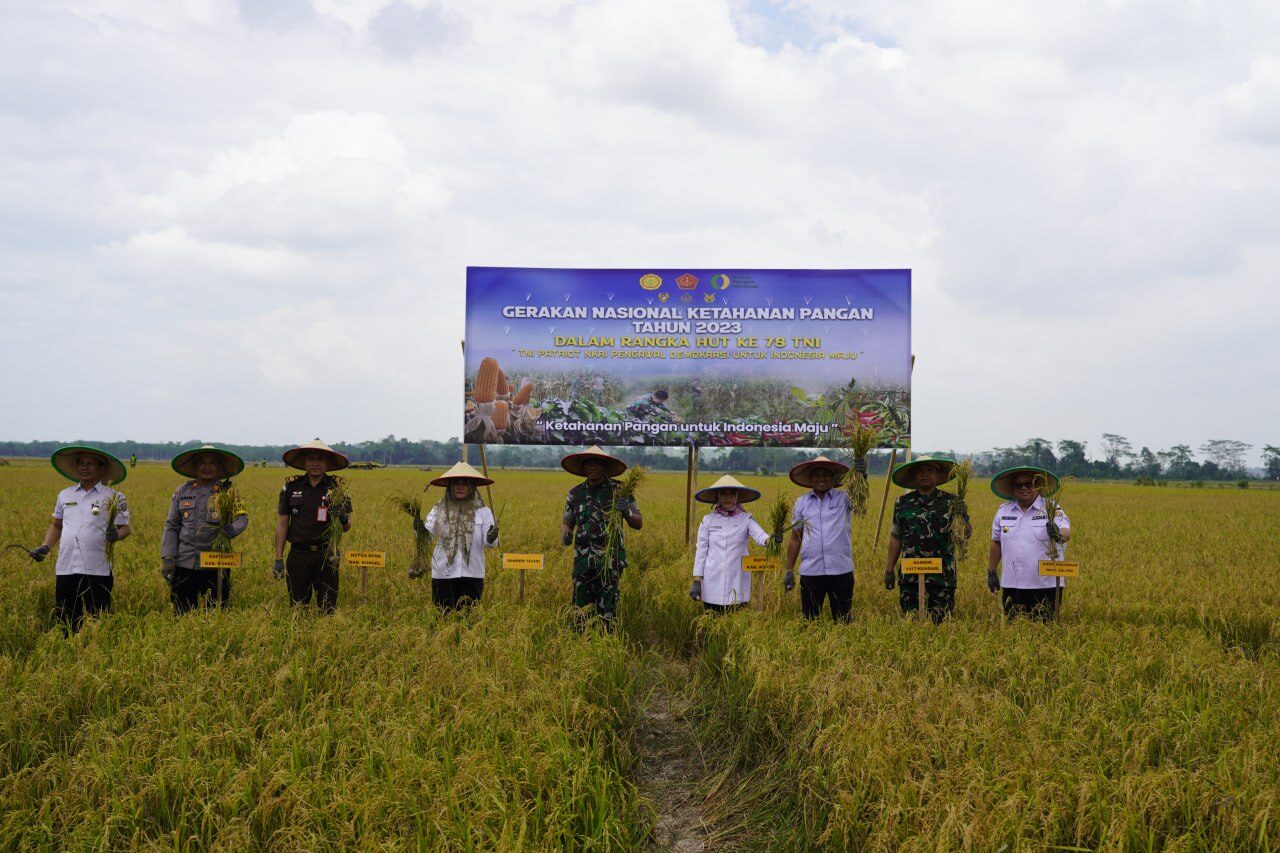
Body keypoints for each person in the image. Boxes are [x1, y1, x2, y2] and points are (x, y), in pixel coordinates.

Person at [29, 446, 132, 633]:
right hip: (67, 567)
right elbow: (56, 526)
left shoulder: (115, 497)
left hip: (98, 569)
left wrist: (116, 535)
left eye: (90, 464)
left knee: (97, 622)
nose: (85, 468)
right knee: (66, 621)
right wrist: (45, 546)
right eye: (81, 464)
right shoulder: (65, 495)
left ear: (101, 469)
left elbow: (125, 528)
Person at [561, 446, 642, 629]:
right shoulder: (575, 493)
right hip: (582, 560)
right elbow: (567, 521)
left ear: (605, 467)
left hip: (609, 560)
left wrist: (626, 512)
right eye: (588, 464)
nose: (592, 468)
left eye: (597, 464)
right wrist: (565, 534)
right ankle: (580, 644)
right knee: (580, 606)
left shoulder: (620, 490)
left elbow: (638, 522)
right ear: (583, 468)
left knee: (607, 608)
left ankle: (605, 644)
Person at [161, 444, 248, 612]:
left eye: (212, 463)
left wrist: (233, 529)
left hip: (216, 563)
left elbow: (242, 518)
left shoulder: (229, 492)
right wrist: (167, 557)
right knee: (181, 612)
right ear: (195, 467)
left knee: (216, 613)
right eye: (202, 463)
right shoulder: (183, 490)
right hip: (184, 563)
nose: (207, 467)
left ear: (219, 467)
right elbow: (172, 525)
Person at [883, 456, 970, 623]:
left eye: (930, 470)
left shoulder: (951, 502)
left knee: (941, 624)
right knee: (911, 623)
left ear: (937, 475)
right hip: (910, 577)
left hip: (942, 577)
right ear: (914, 476)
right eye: (920, 471)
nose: (925, 474)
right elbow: (896, 537)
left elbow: (965, 534)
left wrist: (963, 516)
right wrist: (889, 569)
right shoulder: (902, 502)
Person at [274, 438, 352, 614]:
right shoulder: (291, 488)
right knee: (298, 608)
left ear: (327, 463)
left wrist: (342, 517)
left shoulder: (338, 488)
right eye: (311, 459)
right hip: (298, 555)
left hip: (328, 556)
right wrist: (278, 558)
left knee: (327, 608)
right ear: (304, 462)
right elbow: (282, 524)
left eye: (320, 459)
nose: (315, 463)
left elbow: (347, 527)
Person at [987, 465, 1072, 621]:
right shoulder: (1003, 511)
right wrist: (991, 571)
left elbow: (1066, 533)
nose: (1024, 488)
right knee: (1013, 631)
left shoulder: (1051, 508)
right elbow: (996, 542)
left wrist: (1057, 532)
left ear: (1038, 486)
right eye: (1018, 485)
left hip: (1045, 584)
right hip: (1012, 583)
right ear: (1012, 489)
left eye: (1029, 484)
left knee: (1044, 631)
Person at [784, 455, 858, 622]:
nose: (821, 478)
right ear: (810, 479)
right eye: (816, 474)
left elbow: (861, 499)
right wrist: (789, 570)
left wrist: (861, 475)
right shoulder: (801, 503)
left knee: (843, 621)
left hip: (841, 570)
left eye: (825, 474)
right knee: (809, 620)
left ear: (833, 478)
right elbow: (795, 538)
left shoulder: (845, 499)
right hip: (811, 572)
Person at [689, 475, 774, 612]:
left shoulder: (746, 519)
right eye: (724, 493)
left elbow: (761, 537)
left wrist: (771, 541)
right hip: (712, 583)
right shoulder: (708, 520)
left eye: (732, 493)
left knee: (737, 622)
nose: (728, 497)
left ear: (737, 496)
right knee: (712, 623)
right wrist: (697, 581)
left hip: (737, 582)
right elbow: (701, 551)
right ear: (718, 496)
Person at [424, 461, 499, 611]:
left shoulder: (484, 512)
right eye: (456, 483)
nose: (460, 487)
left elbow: (490, 544)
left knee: (469, 622)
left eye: (464, 484)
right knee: (442, 619)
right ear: (450, 487)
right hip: (443, 574)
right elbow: (427, 537)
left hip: (472, 574)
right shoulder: (438, 509)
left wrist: (491, 537)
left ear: (472, 487)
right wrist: (419, 530)